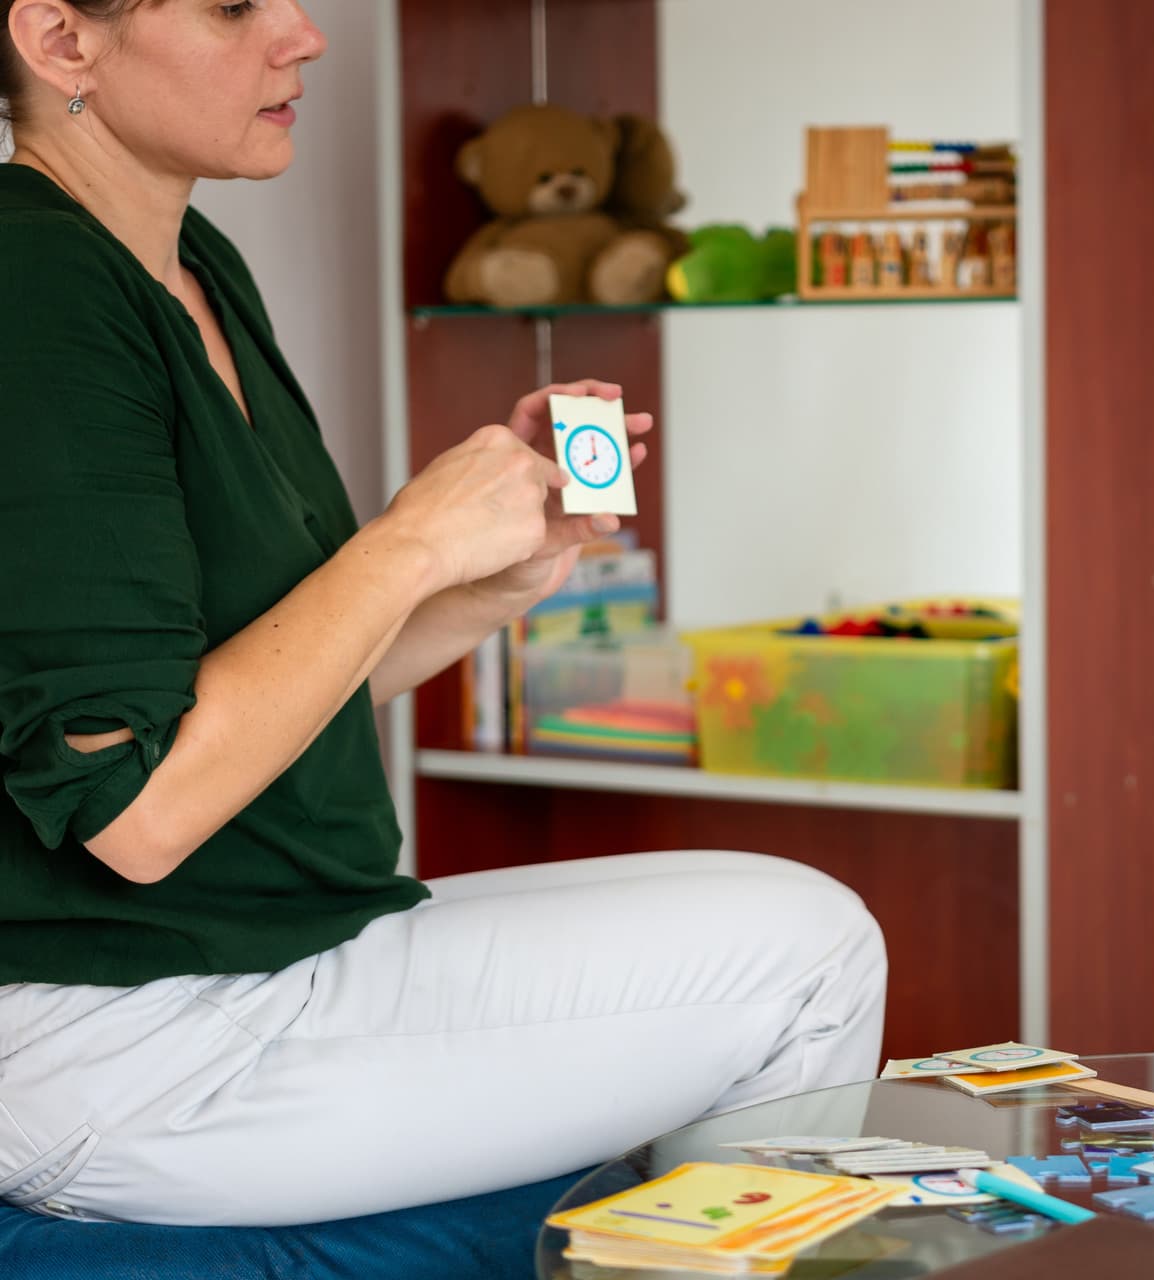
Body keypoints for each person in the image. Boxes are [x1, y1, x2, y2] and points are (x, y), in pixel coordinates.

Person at [0, 0, 886, 1227]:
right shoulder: (32, 283)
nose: (303, 35)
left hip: (274, 952)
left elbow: (288, 694)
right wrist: (411, 539)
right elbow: (136, 811)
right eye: (231, 6)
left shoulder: (199, 265)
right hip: (132, 1032)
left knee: (790, 906)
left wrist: (488, 584)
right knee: (812, 952)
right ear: (61, 41)